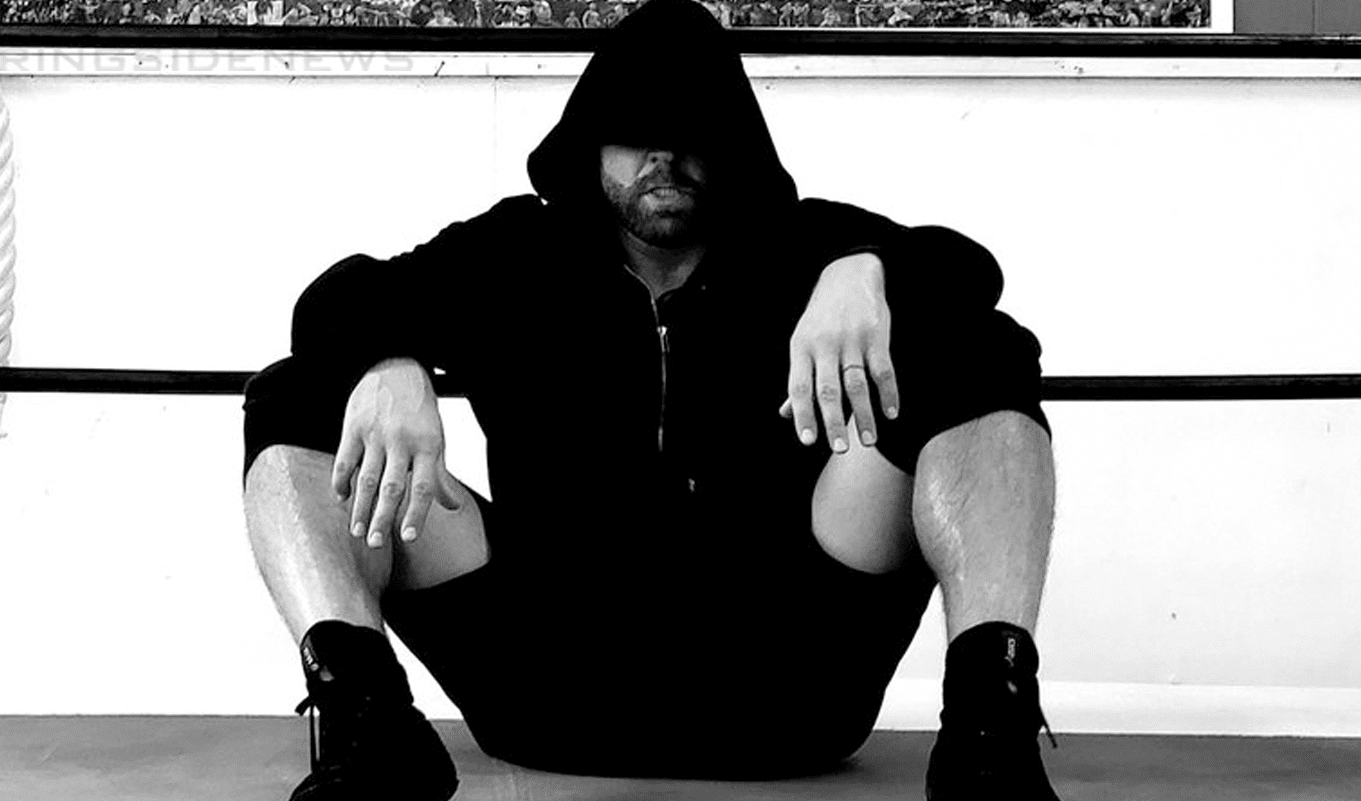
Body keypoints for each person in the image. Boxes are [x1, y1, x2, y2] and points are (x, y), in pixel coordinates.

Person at [241, 0, 1061, 799]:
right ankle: (367, 725)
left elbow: (969, 272)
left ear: (735, 143)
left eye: (691, 132)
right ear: (590, 143)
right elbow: (335, 300)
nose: (662, 157)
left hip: (791, 684)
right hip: (541, 681)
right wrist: (391, 362)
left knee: (979, 354)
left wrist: (865, 268)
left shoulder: (808, 247)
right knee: (300, 394)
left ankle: (989, 739)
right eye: (635, 132)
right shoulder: (515, 253)